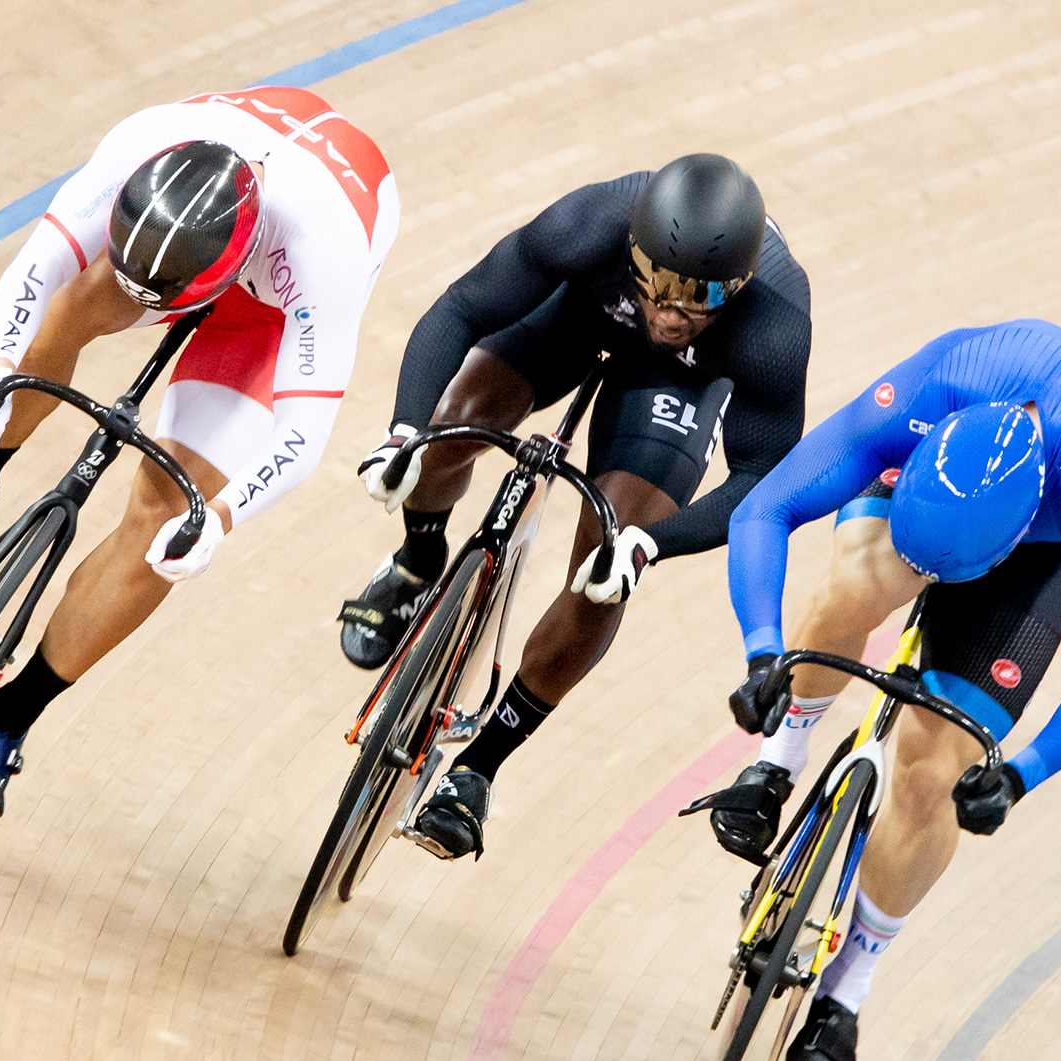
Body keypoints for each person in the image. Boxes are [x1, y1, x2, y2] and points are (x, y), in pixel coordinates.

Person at [0, 88, 396, 824]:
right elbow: (37, 270)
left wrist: (217, 518)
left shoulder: (325, 255)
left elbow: (303, 432)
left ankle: (9, 720)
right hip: (178, 224)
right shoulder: (142, 146)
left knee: (166, 514)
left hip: (272, 302)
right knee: (76, 301)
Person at [715, 319, 1061, 1061]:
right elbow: (765, 509)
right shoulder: (926, 391)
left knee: (934, 775)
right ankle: (779, 757)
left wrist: (1022, 774)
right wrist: (763, 651)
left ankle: (848, 988)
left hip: (1041, 550)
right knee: (859, 587)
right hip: (930, 498)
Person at [340, 154, 811, 860]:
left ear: (737, 289)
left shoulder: (772, 324)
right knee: (455, 422)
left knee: (608, 558)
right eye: (657, 288)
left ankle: (477, 770)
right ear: (632, 250)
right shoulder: (592, 221)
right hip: (579, 315)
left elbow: (761, 478)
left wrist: (652, 546)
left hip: (678, 388)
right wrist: (403, 434)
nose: (669, 314)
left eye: (696, 301)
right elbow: (463, 307)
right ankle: (417, 560)